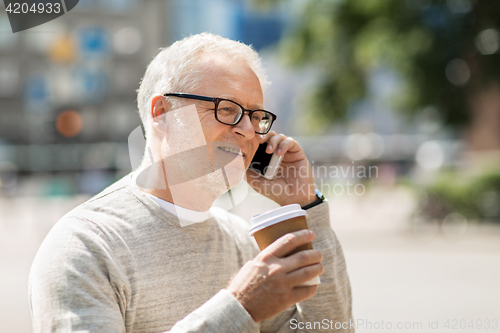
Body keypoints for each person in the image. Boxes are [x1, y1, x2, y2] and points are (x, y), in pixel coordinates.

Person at [29, 33, 353, 332]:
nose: (249, 131)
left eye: (256, 116)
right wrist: (239, 307)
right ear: (162, 113)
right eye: (227, 109)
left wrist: (305, 204)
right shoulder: (85, 246)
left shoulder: (243, 241)